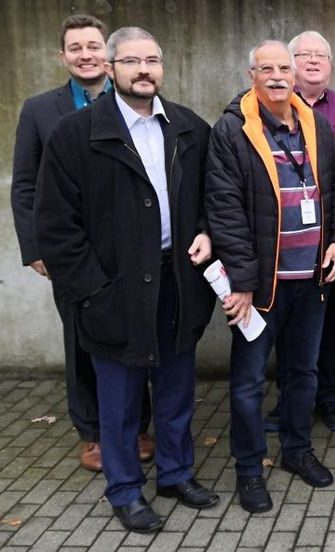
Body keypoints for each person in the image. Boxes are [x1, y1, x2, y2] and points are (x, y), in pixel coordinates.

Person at [35, 26, 218, 533]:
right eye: (132, 61)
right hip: (114, 290)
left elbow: (213, 196)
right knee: (119, 402)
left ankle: (176, 474)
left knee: (177, 391)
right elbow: (55, 226)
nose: (144, 70)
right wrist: (93, 290)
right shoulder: (75, 135)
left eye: (152, 60)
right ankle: (125, 490)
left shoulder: (189, 127)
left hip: (178, 281)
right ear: (110, 68)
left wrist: (207, 232)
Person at [206, 40, 335, 513]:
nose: (277, 76)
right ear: (252, 75)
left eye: (284, 67)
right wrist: (244, 283)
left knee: (302, 373)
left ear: (295, 73)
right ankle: (249, 468)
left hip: (311, 279)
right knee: (248, 383)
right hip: (262, 287)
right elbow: (224, 210)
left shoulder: (316, 126)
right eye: (265, 68)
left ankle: (296, 450)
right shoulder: (232, 130)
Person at [10, 14, 154, 472]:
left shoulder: (136, 102)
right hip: (71, 251)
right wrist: (35, 248)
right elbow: (26, 184)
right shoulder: (39, 110)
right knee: (81, 343)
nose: (85, 55)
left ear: (109, 58)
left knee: (135, 337)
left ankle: (137, 426)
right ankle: (92, 433)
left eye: (93, 46)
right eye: (76, 48)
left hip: (129, 249)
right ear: (63, 56)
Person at [263, 31, 335, 434]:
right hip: (285, 244)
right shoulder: (268, 108)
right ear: (290, 66)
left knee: (332, 321)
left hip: (331, 237)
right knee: (288, 327)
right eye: (304, 54)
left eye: (322, 54)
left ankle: (329, 396)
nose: (314, 60)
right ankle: (289, 399)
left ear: (331, 64)